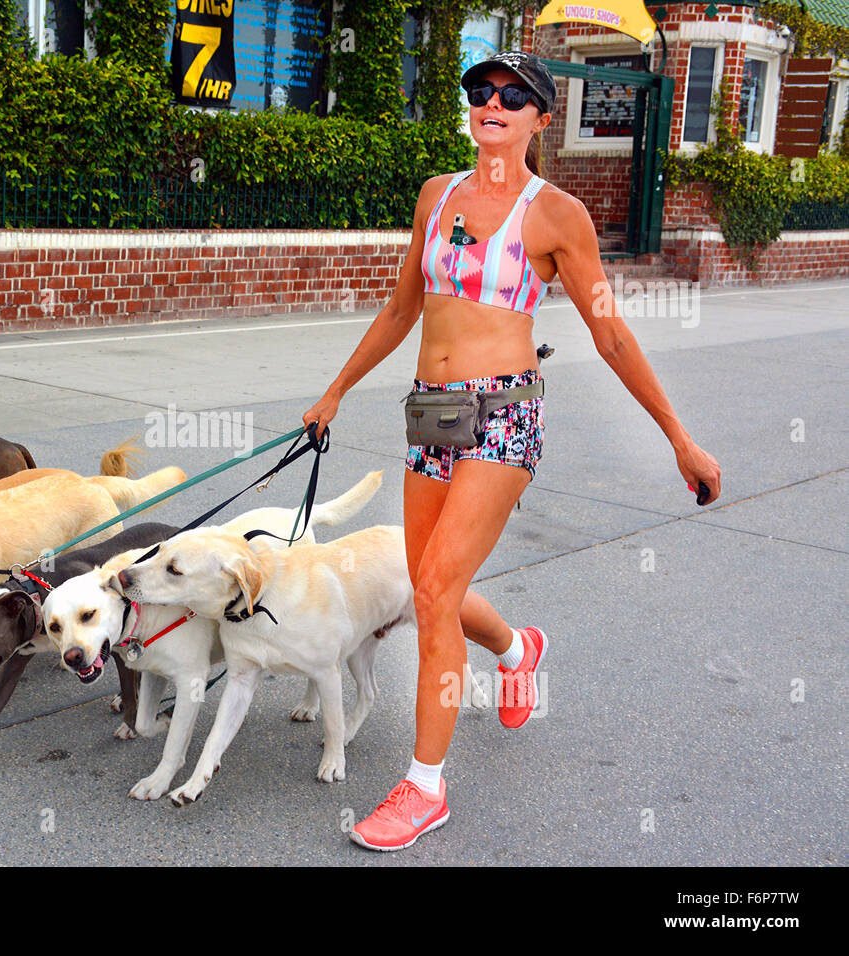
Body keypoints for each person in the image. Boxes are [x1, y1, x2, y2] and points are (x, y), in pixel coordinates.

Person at [300, 52, 721, 853]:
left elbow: (610, 330)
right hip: (432, 413)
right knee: (433, 590)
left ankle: (425, 785)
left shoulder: (556, 213)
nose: (492, 103)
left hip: (504, 418)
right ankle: (518, 647)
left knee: (430, 592)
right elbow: (401, 309)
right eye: (480, 92)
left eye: (513, 95)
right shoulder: (437, 194)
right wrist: (336, 391)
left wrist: (679, 436)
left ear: (539, 117)